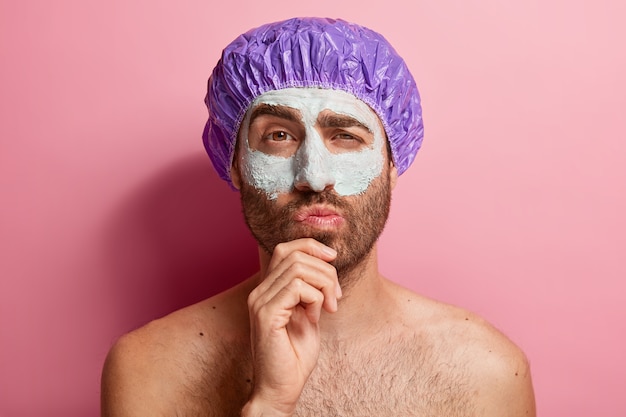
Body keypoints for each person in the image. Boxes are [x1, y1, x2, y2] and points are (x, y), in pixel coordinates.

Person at [101, 17, 535, 416]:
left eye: (345, 136)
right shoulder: (149, 368)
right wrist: (268, 405)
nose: (313, 176)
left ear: (392, 165)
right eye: (279, 136)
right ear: (234, 163)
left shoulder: (486, 371)